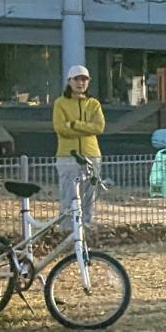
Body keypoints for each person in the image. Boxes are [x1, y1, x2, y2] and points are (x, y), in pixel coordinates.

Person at [53, 64, 106, 228]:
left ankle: (86, 227)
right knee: (68, 195)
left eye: (84, 79)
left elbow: (99, 127)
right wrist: (86, 128)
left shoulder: (94, 104)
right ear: (69, 81)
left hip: (92, 155)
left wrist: (74, 124)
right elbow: (61, 129)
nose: (80, 83)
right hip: (67, 156)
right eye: (76, 79)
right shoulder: (60, 103)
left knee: (89, 195)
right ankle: (68, 230)